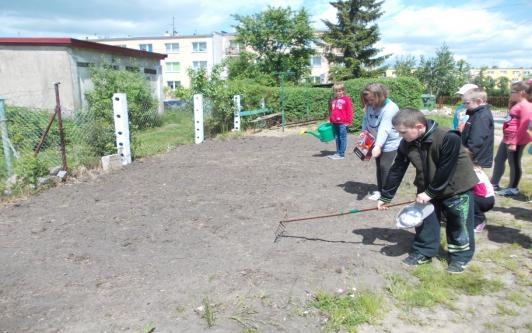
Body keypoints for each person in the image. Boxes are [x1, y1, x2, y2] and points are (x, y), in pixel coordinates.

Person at [377, 108, 478, 274]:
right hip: (428, 187)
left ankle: (460, 257)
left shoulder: (448, 137)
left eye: (403, 132)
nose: (401, 136)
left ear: (418, 126)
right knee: (425, 221)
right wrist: (386, 196)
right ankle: (424, 252)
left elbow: (446, 169)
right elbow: (397, 169)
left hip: (456, 187)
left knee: (458, 222)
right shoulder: (407, 143)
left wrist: (430, 193)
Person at [491, 81, 532, 196]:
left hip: (516, 140)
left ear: (522, 93)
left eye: (513, 92)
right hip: (507, 138)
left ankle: (512, 188)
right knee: (499, 159)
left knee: (513, 163)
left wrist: (514, 142)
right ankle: (494, 184)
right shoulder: (516, 104)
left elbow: (524, 125)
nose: (510, 94)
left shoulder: (526, 106)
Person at [360, 83, 401, 200]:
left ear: (380, 96)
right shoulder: (369, 105)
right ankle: (380, 190)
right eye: (367, 100)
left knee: (385, 166)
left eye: (371, 100)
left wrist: (378, 146)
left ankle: (386, 194)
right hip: (375, 140)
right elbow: (366, 120)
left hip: (389, 142)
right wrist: (364, 135)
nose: (369, 103)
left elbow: (385, 128)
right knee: (379, 167)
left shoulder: (390, 108)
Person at [460, 88, 494, 168]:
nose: (465, 106)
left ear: (479, 101)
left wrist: (467, 153)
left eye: (467, 103)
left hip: (475, 157)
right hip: (472, 155)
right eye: (464, 103)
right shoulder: (474, 112)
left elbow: (477, 139)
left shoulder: (482, 117)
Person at [328, 83, 353, 160]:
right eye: (336, 91)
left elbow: (349, 111)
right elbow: (332, 111)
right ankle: (338, 152)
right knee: (336, 137)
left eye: (340, 91)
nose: (338, 93)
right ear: (334, 92)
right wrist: (330, 119)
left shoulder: (346, 99)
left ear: (343, 91)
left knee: (342, 138)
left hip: (343, 123)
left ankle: (341, 154)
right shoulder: (333, 100)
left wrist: (348, 121)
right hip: (335, 122)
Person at [472, 165, 495, 233]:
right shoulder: (476, 169)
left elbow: (482, 192)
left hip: (485, 199)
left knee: (466, 198)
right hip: (488, 199)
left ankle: (480, 220)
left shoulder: (474, 172)